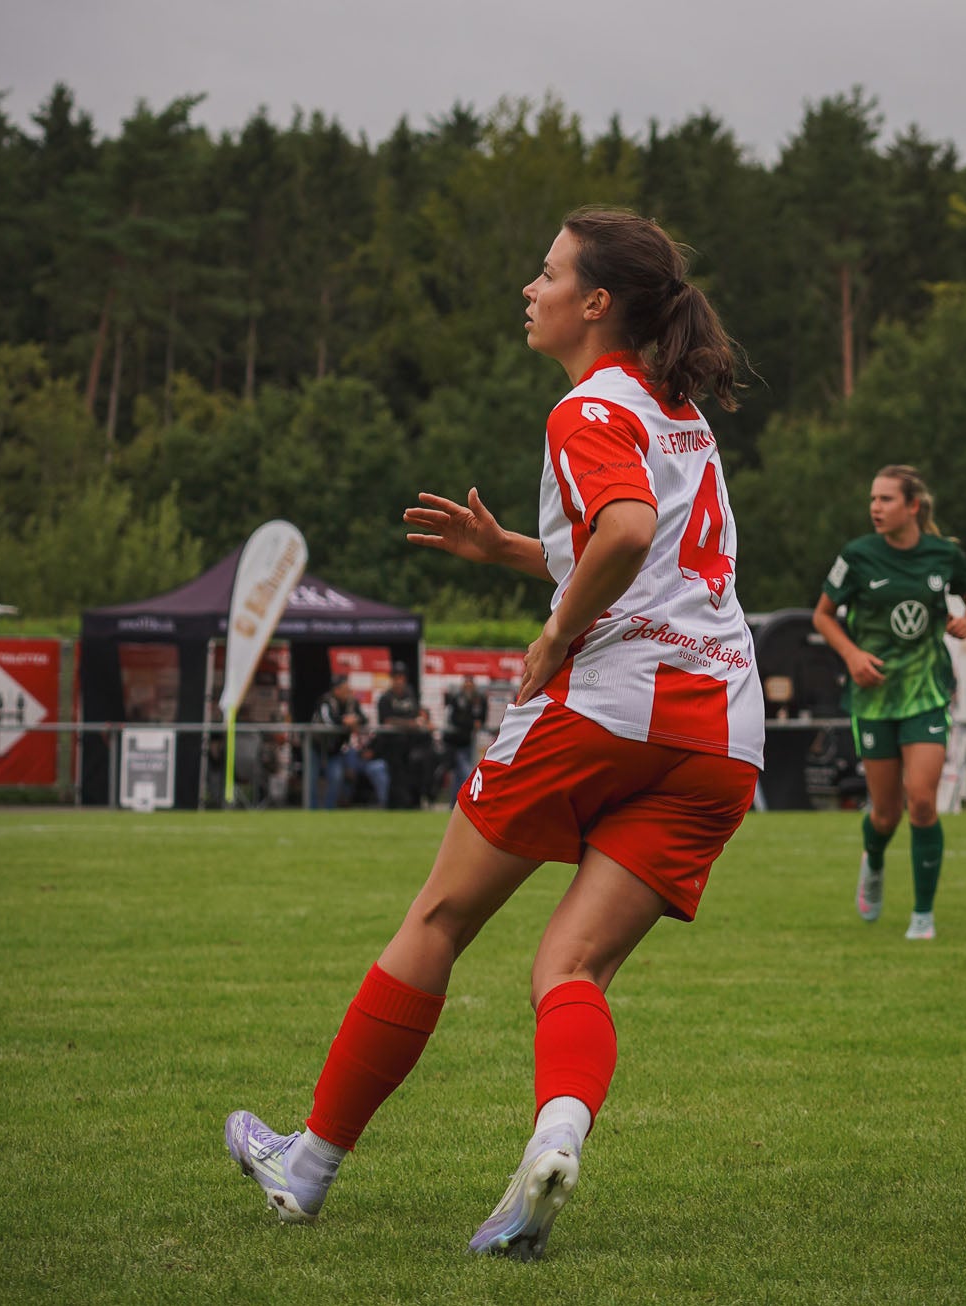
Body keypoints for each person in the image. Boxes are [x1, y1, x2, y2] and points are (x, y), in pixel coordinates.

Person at [224, 206, 764, 1260]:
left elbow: (626, 534)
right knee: (569, 967)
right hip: (720, 731)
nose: (530, 287)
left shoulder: (585, 409)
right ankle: (558, 1132)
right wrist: (518, 548)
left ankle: (309, 1163)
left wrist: (556, 631)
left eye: (547, 271)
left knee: (437, 920)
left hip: (610, 700)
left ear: (594, 303)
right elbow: (648, 548)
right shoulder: (675, 409)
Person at [812, 466, 966, 941]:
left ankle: (923, 914)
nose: (876, 507)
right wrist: (851, 655)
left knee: (923, 802)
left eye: (886, 499)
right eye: (873, 498)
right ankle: (873, 858)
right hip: (874, 698)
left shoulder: (944, 555)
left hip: (926, 693)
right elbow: (823, 615)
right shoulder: (858, 556)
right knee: (886, 812)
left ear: (913, 506)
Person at [309, 677, 389, 809]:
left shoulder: (351, 702)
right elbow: (328, 721)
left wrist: (354, 719)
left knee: (335, 777)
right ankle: (310, 811)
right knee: (312, 780)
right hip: (317, 746)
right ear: (337, 690)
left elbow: (363, 718)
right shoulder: (326, 701)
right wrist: (344, 720)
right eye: (345, 689)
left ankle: (329, 810)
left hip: (334, 749)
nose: (348, 692)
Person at [375, 662, 432, 808]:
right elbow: (387, 720)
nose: (399, 680)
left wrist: (423, 721)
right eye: (396, 677)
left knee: (418, 770)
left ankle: (417, 803)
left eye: (401, 677)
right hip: (391, 747)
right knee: (397, 780)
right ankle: (396, 806)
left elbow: (418, 715)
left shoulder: (410, 696)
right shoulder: (385, 698)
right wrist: (410, 723)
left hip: (410, 745)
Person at [441, 675, 489, 798]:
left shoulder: (479, 699)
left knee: (459, 774)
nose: (468, 685)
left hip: (471, 740)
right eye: (466, 682)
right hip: (456, 741)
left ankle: (455, 801)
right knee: (464, 772)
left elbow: (482, 717)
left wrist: (477, 723)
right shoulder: (457, 698)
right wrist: (471, 723)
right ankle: (466, 798)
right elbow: (454, 719)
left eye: (470, 683)